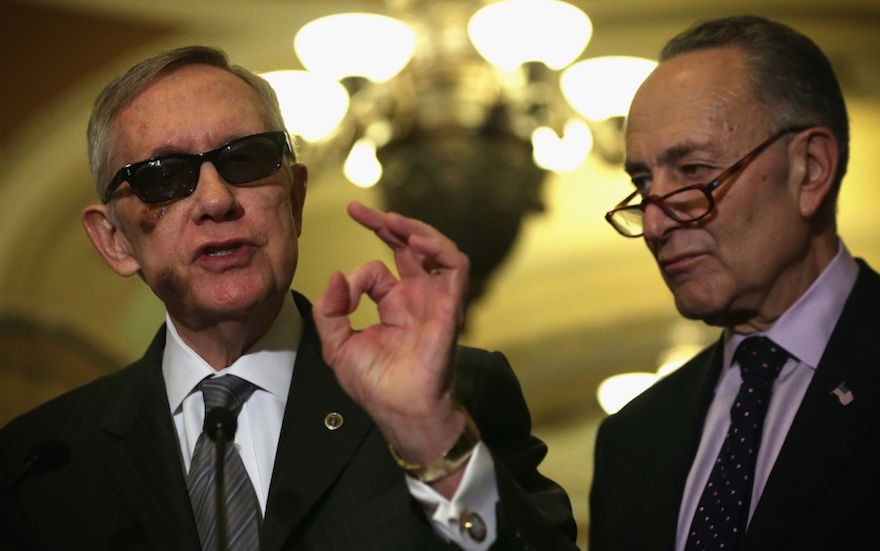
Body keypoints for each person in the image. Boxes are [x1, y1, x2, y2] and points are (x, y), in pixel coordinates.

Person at [0, 46, 577, 550]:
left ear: (295, 200)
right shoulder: (41, 459)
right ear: (113, 240)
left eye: (245, 159)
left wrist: (434, 442)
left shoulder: (454, 398)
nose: (216, 199)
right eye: (164, 175)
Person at [589, 14, 880, 550]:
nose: (653, 223)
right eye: (641, 182)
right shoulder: (631, 441)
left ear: (811, 169)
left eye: (695, 171)